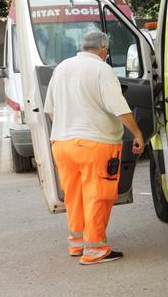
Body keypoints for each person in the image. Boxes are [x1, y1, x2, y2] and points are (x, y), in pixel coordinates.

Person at [44, 30, 145, 265]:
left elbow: (50, 109)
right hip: (95, 145)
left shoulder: (62, 68)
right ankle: (96, 249)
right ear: (103, 49)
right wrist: (137, 133)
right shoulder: (102, 69)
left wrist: (67, 127)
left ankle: (77, 243)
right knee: (98, 195)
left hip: (62, 144)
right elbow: (118, 106)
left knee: (74, 195)